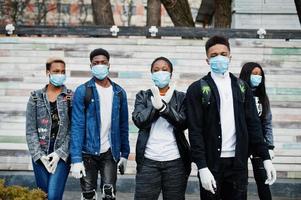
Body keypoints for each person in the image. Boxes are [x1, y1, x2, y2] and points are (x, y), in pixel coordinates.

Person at [185, 35, 276, 200]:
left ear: (230, 57)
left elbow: (254, 125)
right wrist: (202, 167)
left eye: (223, 54)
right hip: (211, 164)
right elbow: (195, 131)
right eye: (214, 55)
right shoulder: (197, 89)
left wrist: (266, 158)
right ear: (207, 60)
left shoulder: (242, 87)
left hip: (238, 164)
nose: (219, 58)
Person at [70, 48, 130, 200]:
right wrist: (76, 159)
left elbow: (124, 125)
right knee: (88, 195)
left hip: (110, 152)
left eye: (103, 62)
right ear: (91, 66)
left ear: (109, 65)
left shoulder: (119, 92)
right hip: (87, 152)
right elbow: (77, 126)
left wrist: (125, 154)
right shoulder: (83, 91)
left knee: (109, 195)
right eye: (96, 63)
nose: (100, 65)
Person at [132, 57, 191, 200]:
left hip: (175, 161)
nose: (160, 73)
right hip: (148, 161)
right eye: (156, 70)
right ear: (151, 74)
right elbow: (139, 120)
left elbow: (183, 123)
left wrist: (165, 108)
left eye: (165, 70)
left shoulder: (181, 97)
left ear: (171, 73)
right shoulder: (143, 96)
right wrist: (155, 105)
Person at [26, 57, 72, 200]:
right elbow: (30, 129)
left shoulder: (70, 97)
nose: (60, 74)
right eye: (56, 71)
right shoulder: (35, 97)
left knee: (53, 196)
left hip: (61, 154)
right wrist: (38, 155)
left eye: (63, 71)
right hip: (41, 154)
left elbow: (74, 129)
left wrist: (60, 153)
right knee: (43, 196)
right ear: (48, 72)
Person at [239, 62, 275, 200]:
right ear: (247, 74)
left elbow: (267, 123)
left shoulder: (263, 98)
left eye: (260, 75)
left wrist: (270, 146)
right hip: (242, 143)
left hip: (259, 143)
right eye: (254, 74)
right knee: (241, 182)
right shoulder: (238, 94)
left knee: (263, 180)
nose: (257, 77)